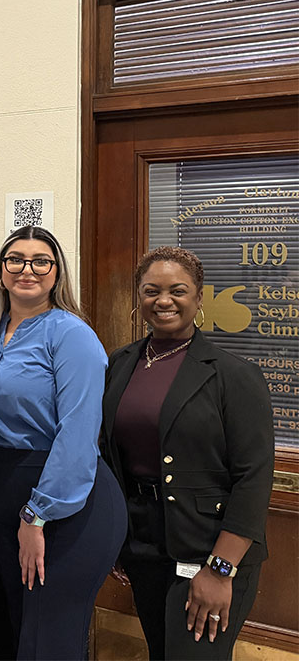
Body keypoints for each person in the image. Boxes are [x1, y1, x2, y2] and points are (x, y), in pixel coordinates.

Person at [101, 246, 273, 660]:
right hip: (143, 543)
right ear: (138, 297)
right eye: (150, 290)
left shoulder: (233, 375)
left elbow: (253, 477)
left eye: (178, 290)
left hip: (209, 548)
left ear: (199, 298)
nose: (163, 301)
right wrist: (115, 539)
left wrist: (220, 569)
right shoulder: (119, 364)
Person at [0, 225, 126, 660]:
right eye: (16, 260)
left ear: (57, 273)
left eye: (42, 261)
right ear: (1, 271)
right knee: (20, 628)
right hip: (4, 488)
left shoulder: (70, 334)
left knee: (50, 639)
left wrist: (37, 514)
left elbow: (78, 431)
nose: (28, 270)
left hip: (67, 498)